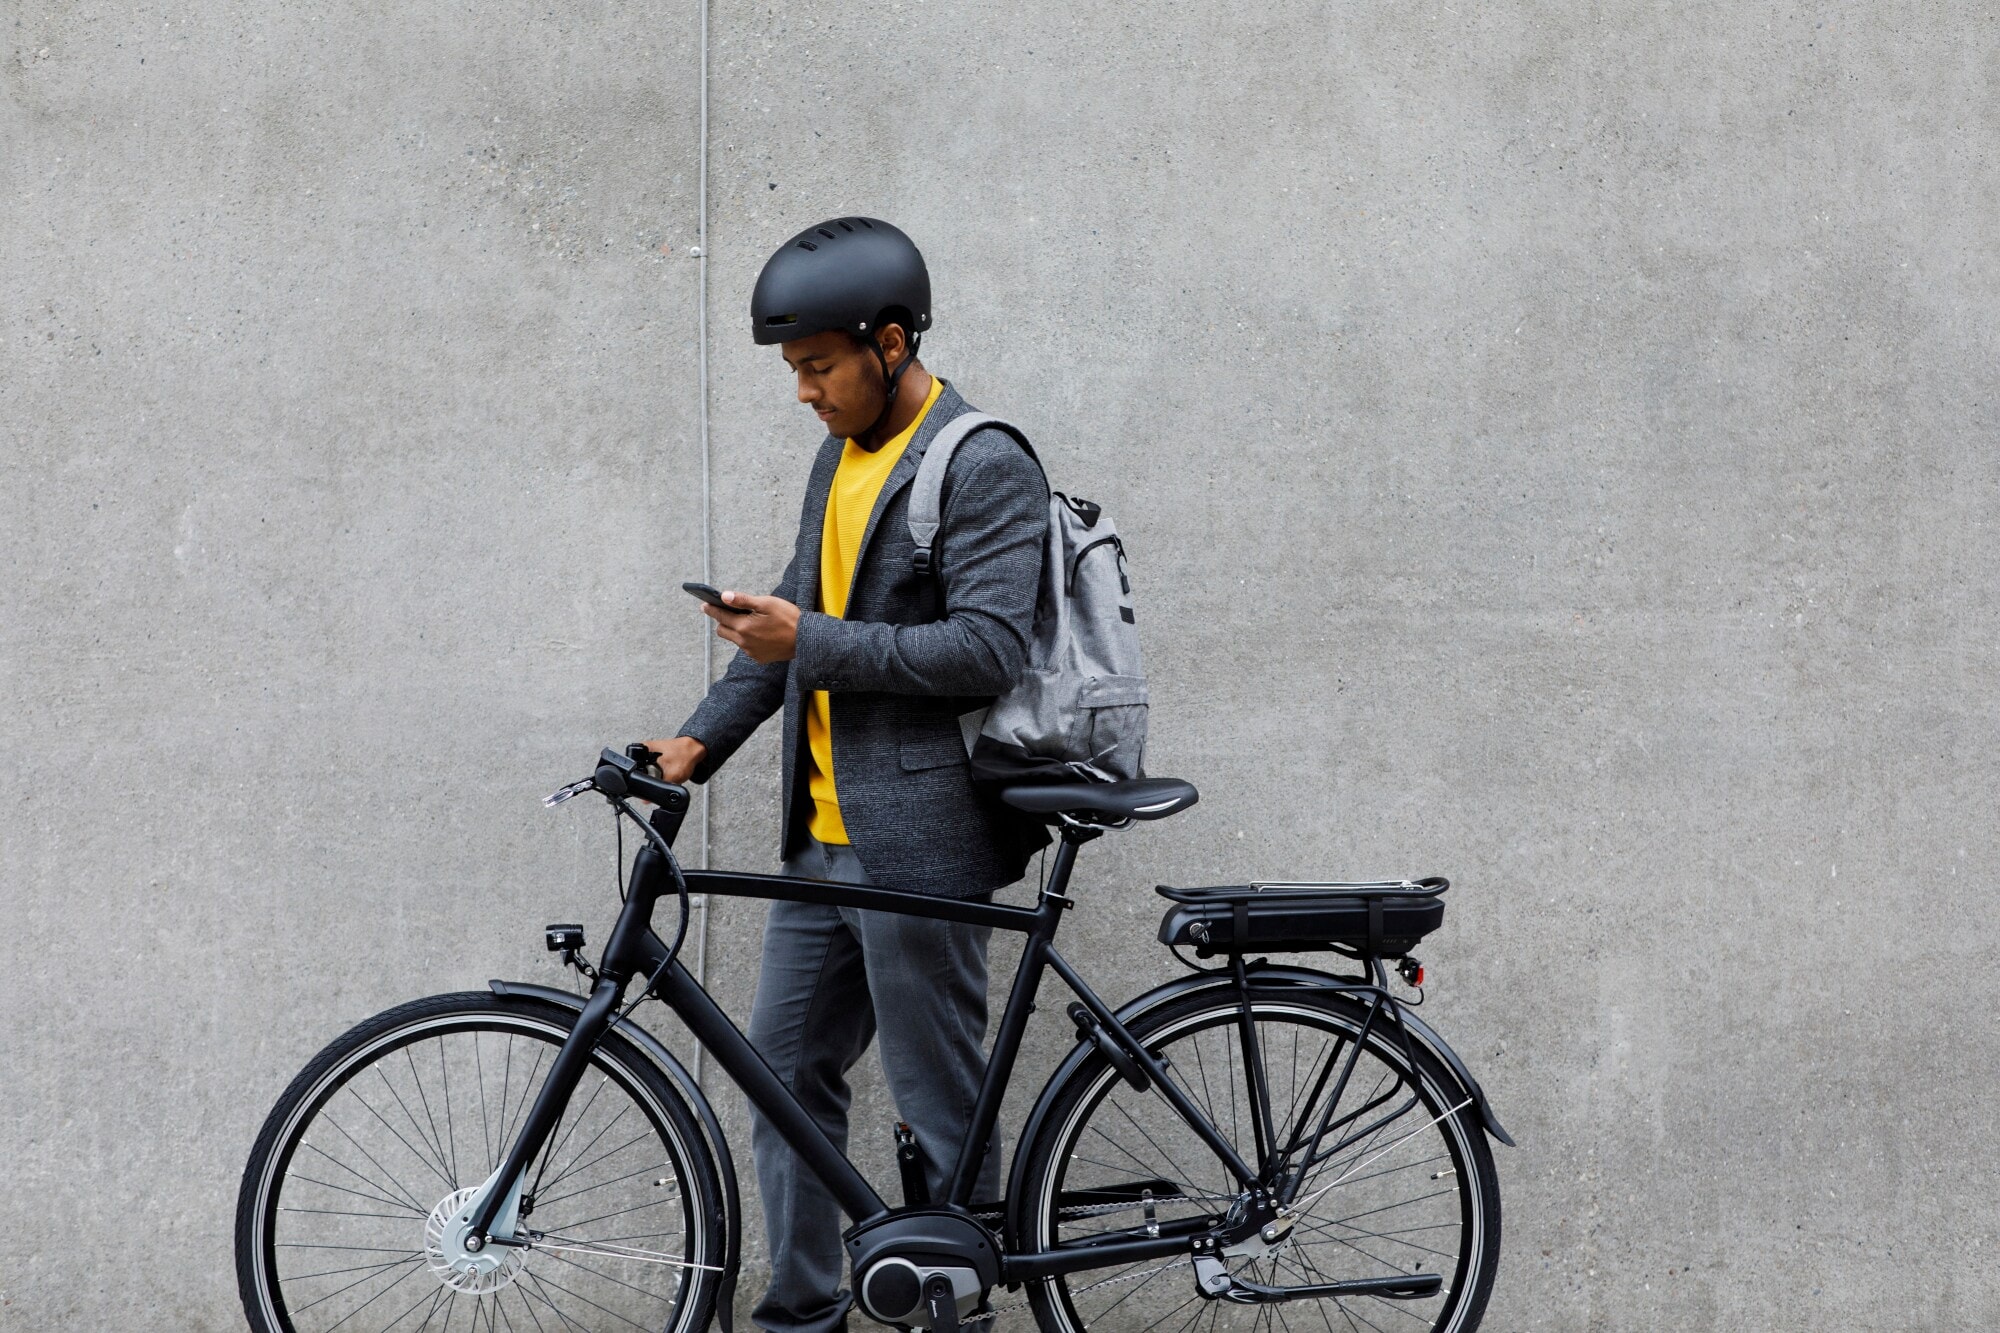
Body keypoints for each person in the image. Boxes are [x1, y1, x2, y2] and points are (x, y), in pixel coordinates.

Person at [643, 216, 1050, 1333]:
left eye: (817, 367)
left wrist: (806, 644)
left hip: (918, 840)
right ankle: (801, 1314)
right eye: (792, 371)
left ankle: (955, 1316)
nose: (804, 393)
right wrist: (693, 742)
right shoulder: (840, 456)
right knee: (781, 1083)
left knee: (937, 1107)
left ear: (885, 342)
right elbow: (786, 622)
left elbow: (985, 648)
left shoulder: (983, 462)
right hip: (819, 845)